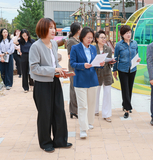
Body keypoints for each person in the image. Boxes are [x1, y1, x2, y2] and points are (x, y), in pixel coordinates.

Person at [29, 18, 72, 153]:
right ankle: (45, 142)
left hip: (55, 82)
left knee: (59, 111)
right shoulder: (36, 46)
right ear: (42, 29)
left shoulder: (53, 44)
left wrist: (61, 71)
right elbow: (34, 68)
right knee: (45, 114)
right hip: (42, 86)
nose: (54, 30)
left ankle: (60, 140)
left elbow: (55, 64)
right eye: (50, 28)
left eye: (54, 27)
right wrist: (54, 70)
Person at [70, 27, 105, 139]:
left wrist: (101, 63)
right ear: (82, 37)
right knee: (83, 106)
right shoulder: (75, 48)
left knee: (91, 104)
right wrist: (83, 65)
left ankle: (89, 123)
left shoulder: (93, 49)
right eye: (88, 37)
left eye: (91, 37)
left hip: (93, 79)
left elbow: (95, 62)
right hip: (80, 80)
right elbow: (72, 63)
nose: (90, 39)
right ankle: (83, 129)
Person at [113, 25, 141, 119]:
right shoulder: (118, 45)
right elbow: (116, 58)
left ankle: (125, 103)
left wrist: (138, 59)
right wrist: (114, 70)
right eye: (126, 33)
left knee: (130, 88)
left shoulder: (135, 43)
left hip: (133, 69)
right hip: (122, 69)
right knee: (125, 88)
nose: (128, 34)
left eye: (129, 32)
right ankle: (127, 109)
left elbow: (137, 55)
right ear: (122, 34)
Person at [94, 30, 114, 122]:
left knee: (107, 94)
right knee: (95, 93)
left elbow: (110, 63)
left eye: (105, 37)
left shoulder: (108, 49)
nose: (104, 39)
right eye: (101, 37)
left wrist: (111, 62)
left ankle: (107, 114)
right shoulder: (93, 48)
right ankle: (95, 110)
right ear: (97, 39)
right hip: (96, 73)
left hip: (107, 73)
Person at [66, 22, 82, 119]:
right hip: (73, 67)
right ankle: (73, 110)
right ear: (77, 30)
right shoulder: (71, 41)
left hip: (78, 66)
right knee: (73, 88)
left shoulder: (77, 40)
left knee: (77, 88)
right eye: (81, 28)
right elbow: (69, 55)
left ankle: (76, 109)